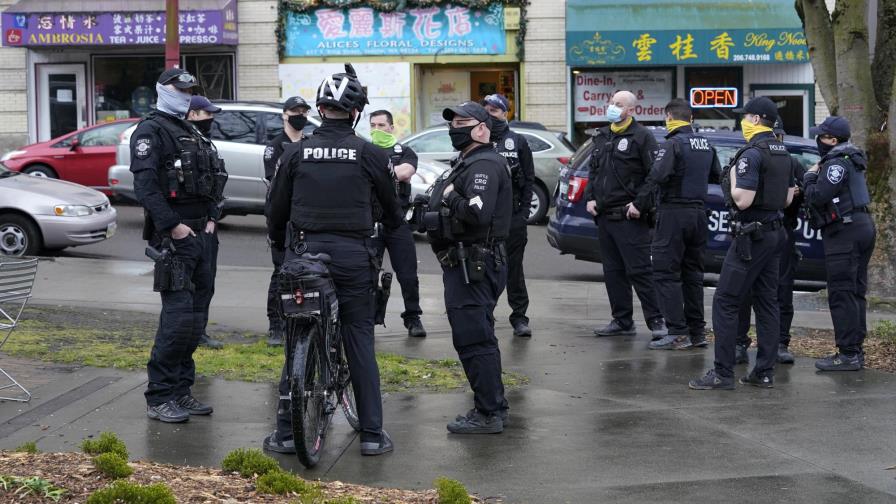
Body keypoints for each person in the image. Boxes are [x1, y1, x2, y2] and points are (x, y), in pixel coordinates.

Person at [265, 64, 399, 456]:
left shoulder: (295, 152)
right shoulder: (371, 153)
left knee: (296, 340)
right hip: (354, 256)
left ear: (319, 110)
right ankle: (372, 435)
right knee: (359, 340)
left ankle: (287, 435)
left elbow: (275, 210)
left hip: (303, 255)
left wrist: (279, 244)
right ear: (356, 113)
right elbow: (392, 211)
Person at [131, 68, 228, 422]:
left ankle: (181, 391)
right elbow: (145, 189)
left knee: (195, 321)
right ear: (162, 90)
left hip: (203, 237)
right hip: (177, 240)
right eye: (179, 88)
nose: (185, 94)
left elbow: (213, 180)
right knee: (177, 320)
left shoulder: (190, 130)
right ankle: (159, 396)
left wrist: (213, 219)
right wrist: (173, 227)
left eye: (189, 90)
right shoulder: (150, 131)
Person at [689, 96, 795, 390]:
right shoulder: (783, 152)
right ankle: (763, 372)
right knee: (767, 303)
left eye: (745, 117)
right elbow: (787, 199)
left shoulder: (751, 154)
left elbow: (743, 199)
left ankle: (722, 373)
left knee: (725, 301)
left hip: (752, 235)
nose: (743, 121)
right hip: (774, 233)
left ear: (757, 120)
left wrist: (734, 177)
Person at [424, 101, 512, 434]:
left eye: (462, 122)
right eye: (452, 122)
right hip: (468, 262)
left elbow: (477, 213)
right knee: (479, 336)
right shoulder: (469, 161)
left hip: (474, 263)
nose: (453, 128)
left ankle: (487, 413)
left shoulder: (484, 165)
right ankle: (495, 405)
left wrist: (449, 197)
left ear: (481, 129)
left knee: (473, 338)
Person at [584, 91, 667, 339]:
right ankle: (622, 321)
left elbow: (654, 176)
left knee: (640, 271)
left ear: (631, 110)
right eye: (611, 103)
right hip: (605, 217)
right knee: (613, 272)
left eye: (618, 104)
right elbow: (593, 170)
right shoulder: (601, 135)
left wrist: (640, 204)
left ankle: (656, 321)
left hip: (630, 217)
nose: (612, 107)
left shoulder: (642, 137)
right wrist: (590, 198)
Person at [645, 99, 720, 350]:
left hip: (674, 213)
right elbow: (715, 175)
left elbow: (658, 176)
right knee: (693, 275)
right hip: (698, 214)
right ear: (691, 117)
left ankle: (677, 332)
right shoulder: (705, 144)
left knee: (666, 272)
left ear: (669, 116)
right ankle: (697, 332)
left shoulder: (672, 144)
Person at [803, 116, 876, 371]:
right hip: (861, 226)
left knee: (842, 291)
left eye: (821, 136)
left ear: (832, 140)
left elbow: (818, 196)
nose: (817, 140)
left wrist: (810, 176)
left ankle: (848, 354)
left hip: (845, 231)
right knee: (855, 291)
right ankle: (855, 349)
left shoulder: (836, 163)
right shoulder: (852, 159)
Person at [734, 118, 805, 364]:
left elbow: (800, 198)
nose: (777, 140)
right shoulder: (752, 156)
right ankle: (738, 342)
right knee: (742, 291)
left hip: (781, 232)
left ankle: (779, 343)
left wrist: (799, 191)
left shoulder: (790, 162)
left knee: (780, 291)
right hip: (753, 230)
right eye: (774, 135)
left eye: (780, 136)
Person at [368, 109, 427, 337]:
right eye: (373, 125)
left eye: (381, 125)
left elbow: (404, 172)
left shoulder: (405, 152)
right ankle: (370, 319)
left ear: (391, 128)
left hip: (397, 222)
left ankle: (413, 318)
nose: (376, 129)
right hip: (370, 222)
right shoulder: (365, 150)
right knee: (368, 274)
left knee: (408, 275)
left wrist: (378, 172)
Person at [481, 94, 534, 338]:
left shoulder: (518, 141)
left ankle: (519, 317)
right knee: (484, 268)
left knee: (514, 269)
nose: (490, 113)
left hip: (512, 217)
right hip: (485, 218)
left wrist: (523, 215)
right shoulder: (479, 139)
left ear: (505, 113)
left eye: (495, 110)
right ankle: (485, 314)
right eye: (487, 109)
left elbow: (529, 180)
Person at [263, 96, 311, 346]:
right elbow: (276, 183)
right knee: (280, 272)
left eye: (303, 110)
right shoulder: (275, 146)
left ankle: (300, 319)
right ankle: (276, 325)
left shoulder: (310, 144)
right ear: (284, 114)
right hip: (283, 218)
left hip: (306, 218)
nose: (300, 114)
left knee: (306, 272)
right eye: (295, 110)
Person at [186, 94, 226, 350]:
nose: (211, 118)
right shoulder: (183, 142)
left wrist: (213, 216)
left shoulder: (205, 142)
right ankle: (188, 332)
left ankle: (199, 332)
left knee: (206, 284)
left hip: (207, 225)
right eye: (206, 113)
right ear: (192, 115)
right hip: (189, 227)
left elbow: (214, 184)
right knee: (188, 287)